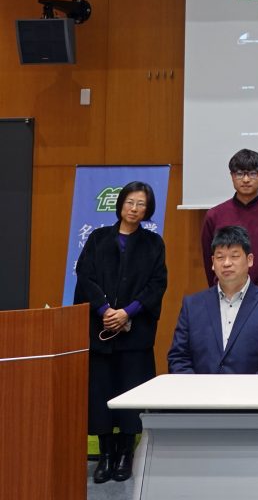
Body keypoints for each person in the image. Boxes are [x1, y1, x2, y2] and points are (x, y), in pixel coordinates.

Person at [75, 181, 167, 484]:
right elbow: (85, 276)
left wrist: (128, 312)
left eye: (141, 204)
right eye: (130, 202)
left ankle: (126, 455)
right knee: (101, 394)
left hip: (135, 334)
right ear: (121, 204)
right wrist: (105, 311)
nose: (134, 209)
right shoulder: (99, 238)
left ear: (148, 209)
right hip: (101, 332)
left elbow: (157, 284)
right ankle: (106, 455)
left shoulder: (154, 244)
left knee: (131, 395)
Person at [168, 226, 258, 374]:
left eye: (234, 256)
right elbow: (178, 357)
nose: (227, 263)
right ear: (213, 263)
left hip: (253, 394)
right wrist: (198, 391)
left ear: (250, 260)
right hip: (201, 394)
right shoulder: (192, 305)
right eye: (220, 257)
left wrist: (247, 393)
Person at [200, 149, 258, 296]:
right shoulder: (214, 215)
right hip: (225, 294)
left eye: (253, 173)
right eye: (239, 173)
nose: (246, 179)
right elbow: (208, 261)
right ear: (231, 176)